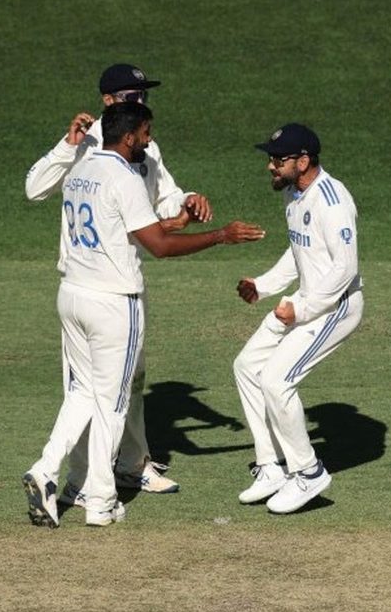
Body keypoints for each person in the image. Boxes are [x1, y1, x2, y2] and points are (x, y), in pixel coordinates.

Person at [23, 102, 265, 527]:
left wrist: (176, 221)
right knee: (114, 404)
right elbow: (158, 247)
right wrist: (221, 237)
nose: (150, 141)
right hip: (114, 302)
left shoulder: (80, 169)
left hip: (72, 295)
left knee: (82, 393)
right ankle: (100, 503)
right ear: (130, 135)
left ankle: (45, 470)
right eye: (147, 133)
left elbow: (129, 228)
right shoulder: (124, 176)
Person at [25, 63, 211, 501]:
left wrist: (186, 201)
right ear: (109, 101)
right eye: (133, 95)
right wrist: (66, 149)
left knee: (133, 378)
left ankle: (132, 465)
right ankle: (85, 481)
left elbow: (164, 195)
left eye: (144, 95)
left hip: (127, 279)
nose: (142, 102)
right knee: (87, 390)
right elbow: (34, 188)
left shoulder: (145, 144)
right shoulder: (83, 144)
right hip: (87, 284)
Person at [232, 123, 364, 514]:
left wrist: (301, 310)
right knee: (247, 367)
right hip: (304, 302)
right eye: (270, 159)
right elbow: (299, 252)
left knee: (276, 380)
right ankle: (272, 466)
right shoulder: (294, 193)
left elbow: (344, 269)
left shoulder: (332, 201)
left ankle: (308, 473)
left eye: (278, 160)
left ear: (303, 161)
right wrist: (264, 285)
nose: (271, 166)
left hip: (336, 307)